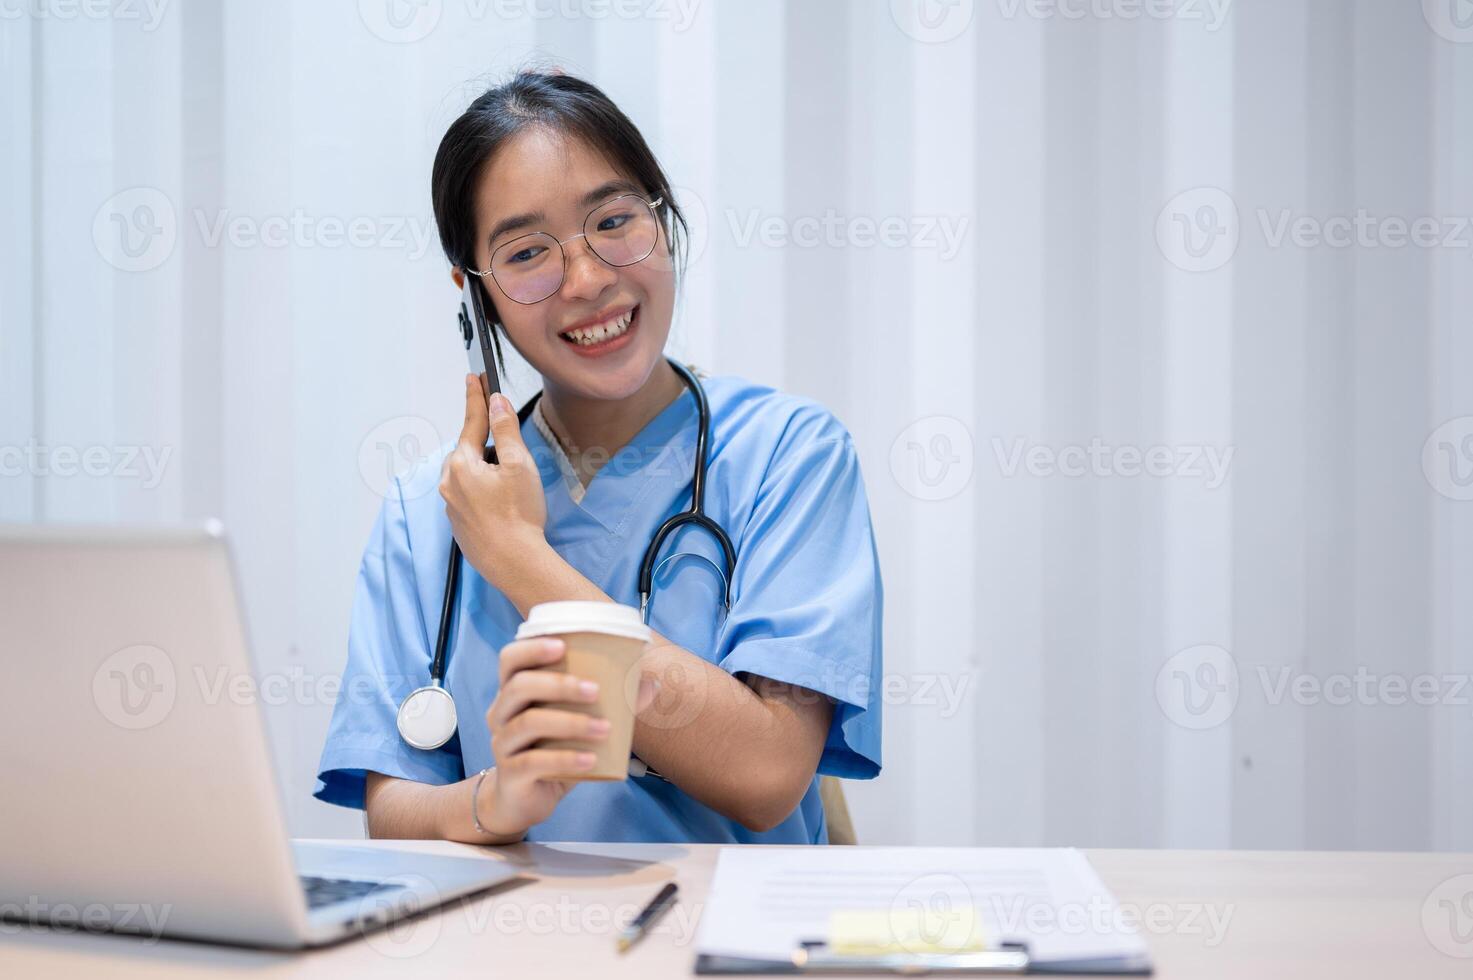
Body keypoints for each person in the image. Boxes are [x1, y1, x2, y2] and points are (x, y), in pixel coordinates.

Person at [314, 69, 883, 844]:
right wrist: (497, 800)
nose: (587, 281)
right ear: (473, 293)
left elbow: (766, 776)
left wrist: (519, 558)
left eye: (614, 222)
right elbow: (395, 812)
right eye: (525, 253)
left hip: (716, 955)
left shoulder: (788, 456)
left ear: (663, 217)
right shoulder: (429, 511)